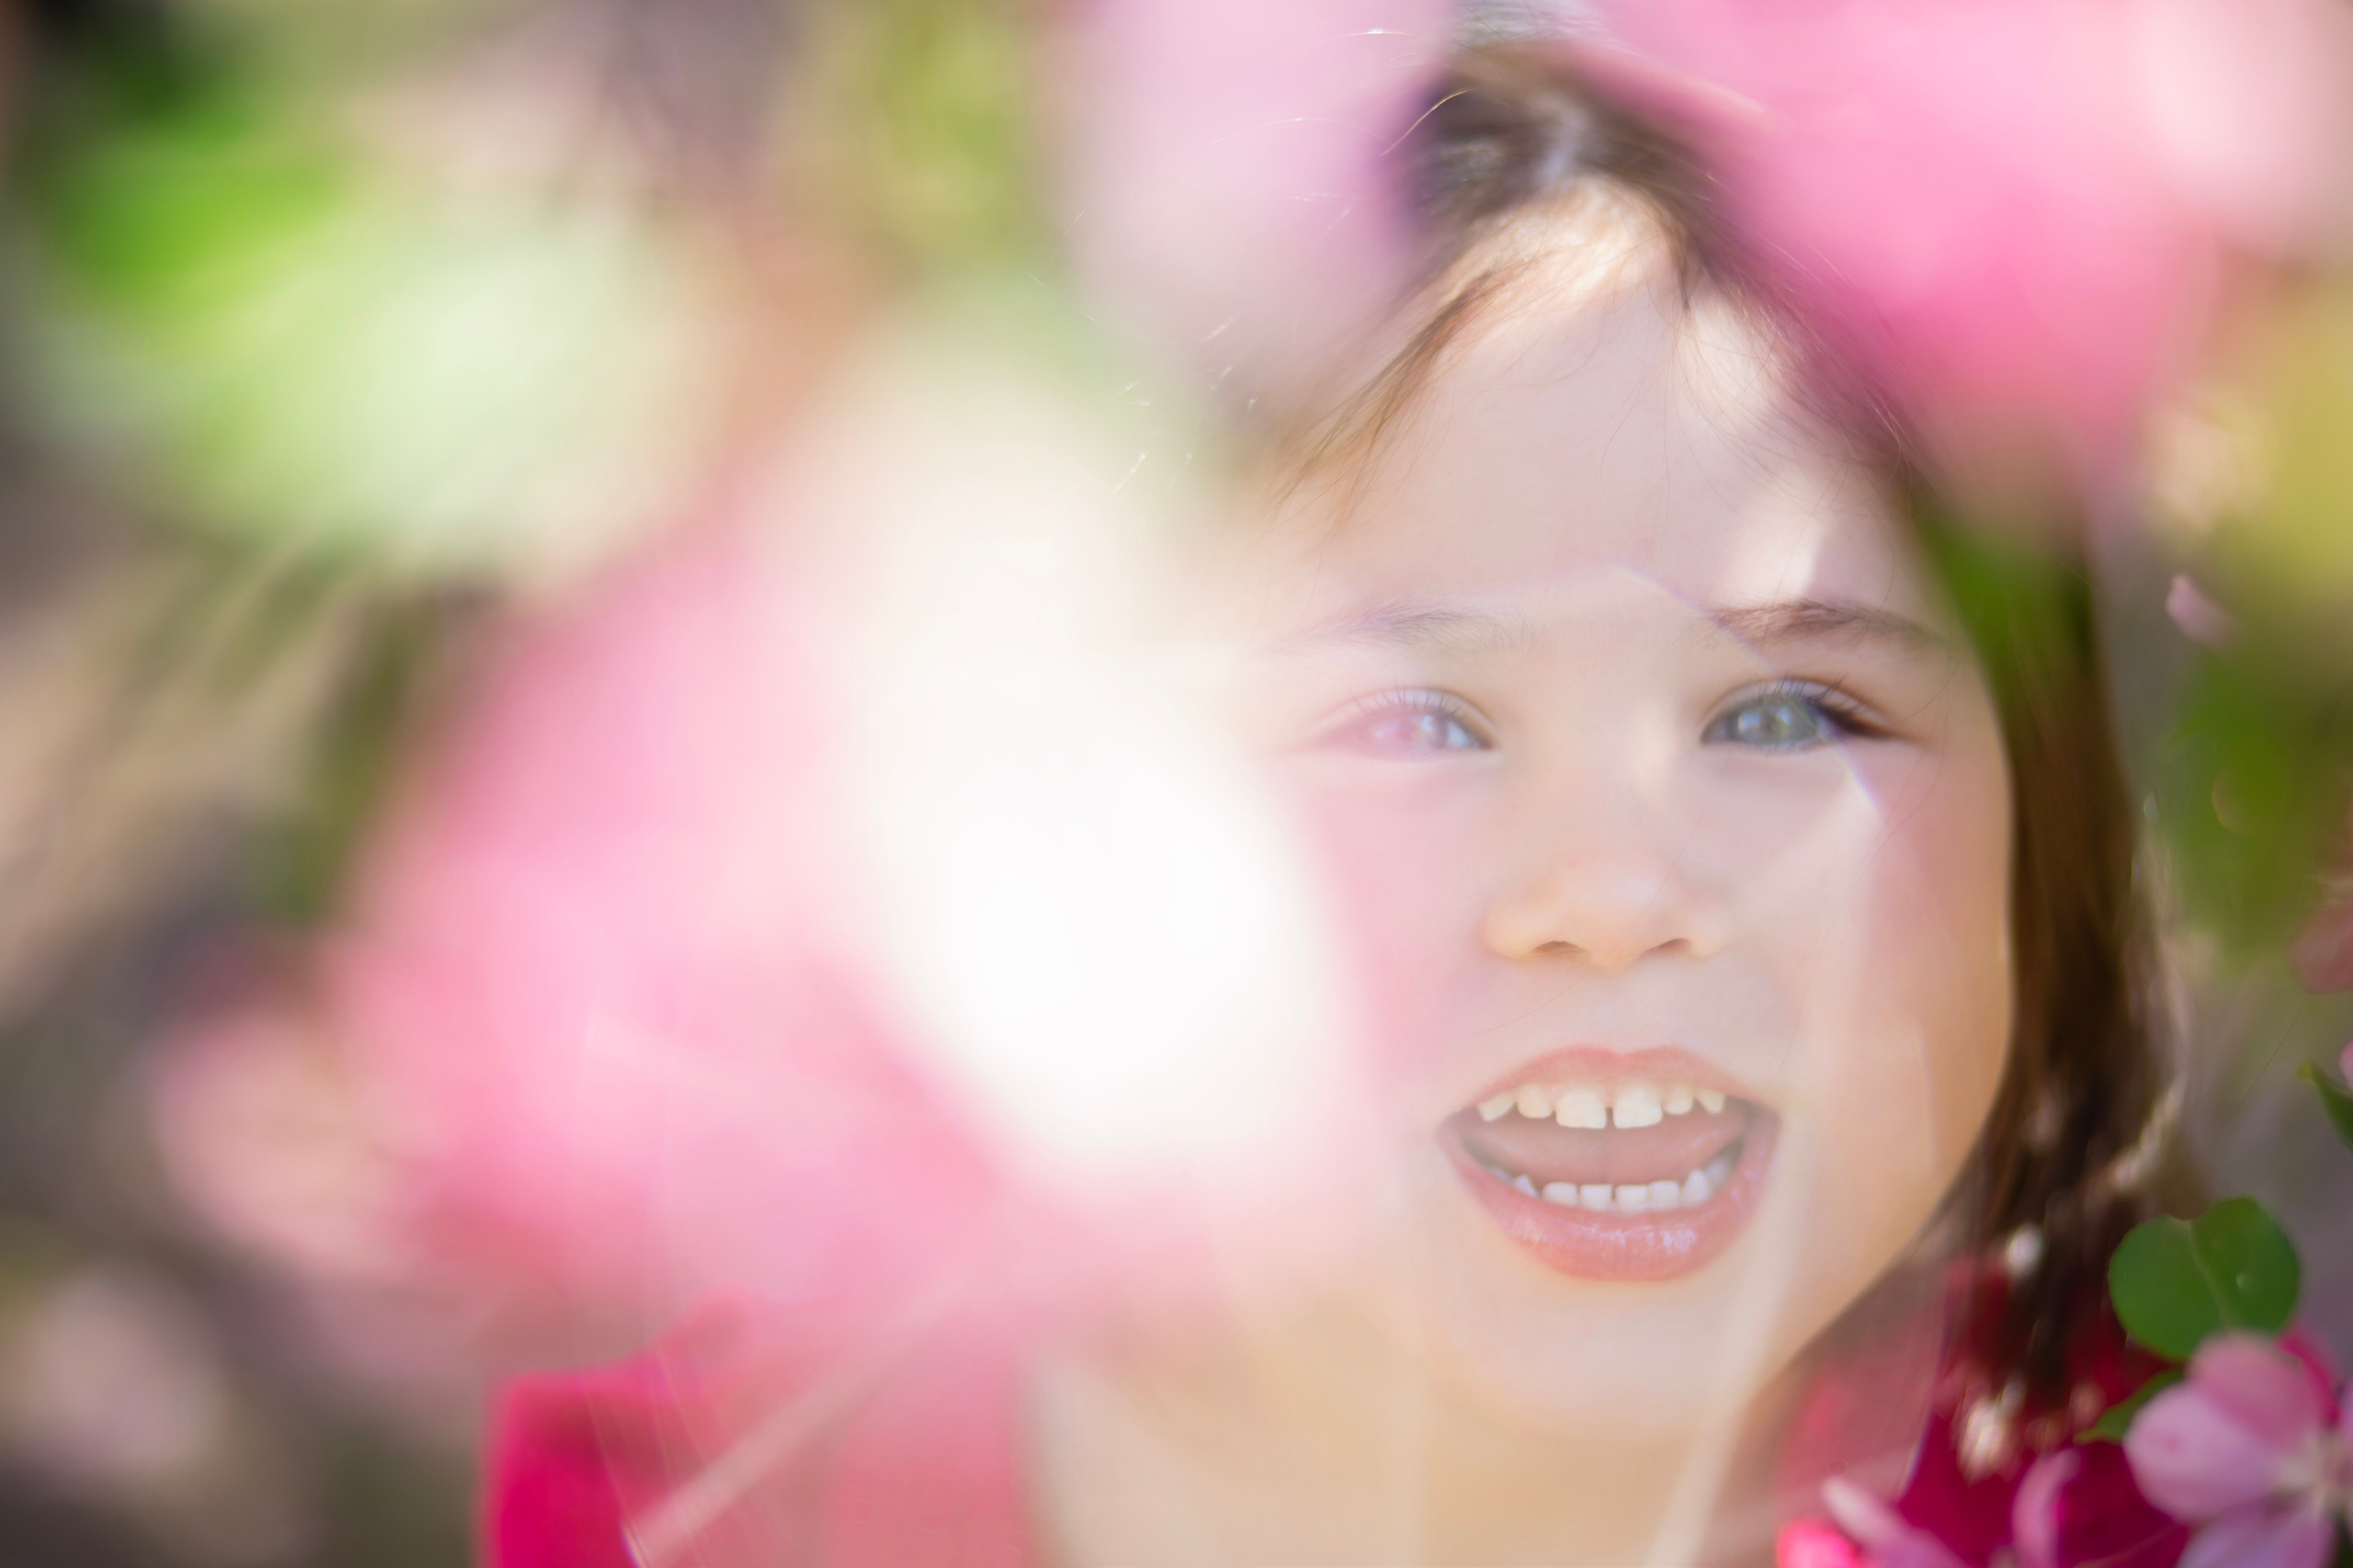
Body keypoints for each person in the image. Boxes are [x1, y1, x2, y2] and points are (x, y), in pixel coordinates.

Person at [485, 44, 2185, 1567]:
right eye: (1407, 721)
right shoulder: (719, 1519)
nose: (1607, 886)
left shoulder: (2198, 1501)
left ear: (2057, 828)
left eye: (1790, 711)